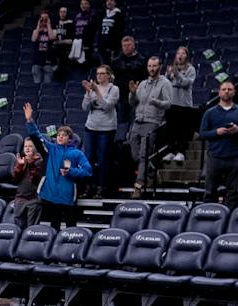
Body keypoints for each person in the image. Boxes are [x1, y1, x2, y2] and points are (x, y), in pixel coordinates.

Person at [24, 103, 91, 228]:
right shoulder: (51, 149)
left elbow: (88, 171)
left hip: (68, 197)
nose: (60, 137)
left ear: (70, 139)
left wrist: (71, 171)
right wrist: (29, 120)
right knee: (54, 227)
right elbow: (37, 137)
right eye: (59, 135)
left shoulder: (77, 153)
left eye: (64, 135)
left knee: (70, 228)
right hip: (53, 197)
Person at [198, 80, 238, 202]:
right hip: (215, 156)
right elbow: (202, 134)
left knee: (232, 193)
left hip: (234, 157)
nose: (226, 91)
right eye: (224, 89)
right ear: (219, 92)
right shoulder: (210, 112)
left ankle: (229, 219)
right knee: (210, 192)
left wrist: (237, 130)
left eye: (229, 89)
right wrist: (216, 132)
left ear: (234, 92)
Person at [128, 54, 171, 191]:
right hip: (137, 122)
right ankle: (152, 173)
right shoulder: (142, 83)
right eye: (150, 66)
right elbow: (132, 102)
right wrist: (133, 93)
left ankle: (139, 185)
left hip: (152, 122)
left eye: (154, 66)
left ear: (160, 66)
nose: (152, 69)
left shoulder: (165, 83)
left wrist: (156, 102)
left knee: (143, 155)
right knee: (135, 155)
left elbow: (168, 104)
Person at [79, 64, 120, 197]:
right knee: (88, 158)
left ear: (109, 75)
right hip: (91, 127)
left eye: (102, 73)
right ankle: (89, 185)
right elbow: (85, 107)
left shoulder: (114, 89)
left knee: (103, 159)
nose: (99, 76)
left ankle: (101, 187)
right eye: (98, 74)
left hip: (106, 128)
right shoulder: (92, 88)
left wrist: (96, 91)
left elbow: (107, 107)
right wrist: (87, 93)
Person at [159, 47, 200, 163]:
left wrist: (177, 75)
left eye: (183, 53)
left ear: (187, 56)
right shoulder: (171, 68)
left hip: (184, 104)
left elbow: (186, 83)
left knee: (182, 129)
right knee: (171, 129)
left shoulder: (191, 69)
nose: (180, 55)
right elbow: (166, 84)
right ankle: (171, 151)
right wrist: (167, 75)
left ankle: (181, 152)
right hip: (171, 102)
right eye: (178, 53)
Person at [9, 135, 46, 227]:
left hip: (33, 200)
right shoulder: (22, 161)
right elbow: (14, 179)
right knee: (18, 227)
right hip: (20, 199)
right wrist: (20, 166)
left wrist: (30, 164)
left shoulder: (40, 161)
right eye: (26, 146)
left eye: (30, 146)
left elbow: (35, 178)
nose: (27, 149)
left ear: (35, 148)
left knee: (31, 229)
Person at [29, 12, 59, 85]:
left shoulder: (53, 30)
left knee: (47, 84)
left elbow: (52, 37)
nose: (44, 20)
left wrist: (48, 24)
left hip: (48, 61)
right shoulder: (35, 31)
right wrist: (39, 25)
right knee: (37, 83)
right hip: (37, 60)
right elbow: (33, 39)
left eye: (46, 18)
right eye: (42, 18)